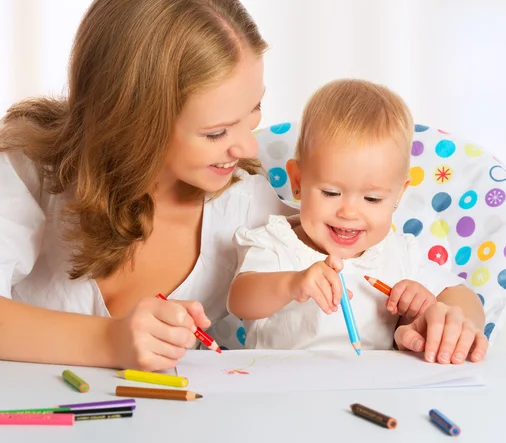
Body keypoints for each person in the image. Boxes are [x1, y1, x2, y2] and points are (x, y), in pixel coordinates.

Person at [0, 0, 293, 371]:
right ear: (133, 122)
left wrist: (391, 316)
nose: (249, 147)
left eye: (254, 109)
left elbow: (353, 266)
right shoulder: (28, 170)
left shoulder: (248, 205)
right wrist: (108, 342)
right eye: (216, 132)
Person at [228, 80, 488, 364]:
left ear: (399, 193)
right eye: (331, 193)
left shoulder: (398, 254)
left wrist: (444, 317)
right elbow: (240, 301)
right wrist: (292, 284)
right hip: (282, 387)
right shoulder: (276, 242)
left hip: (370, 390)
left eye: (373, 199)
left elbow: (465, 299)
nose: (349, 213)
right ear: (298, 182)